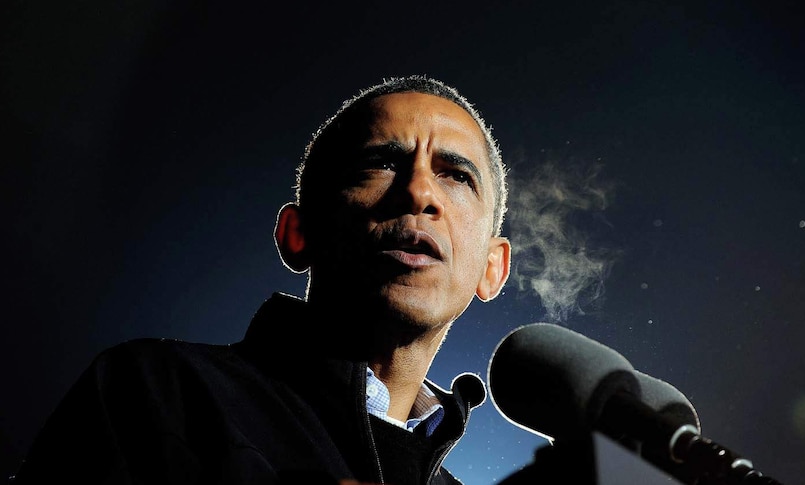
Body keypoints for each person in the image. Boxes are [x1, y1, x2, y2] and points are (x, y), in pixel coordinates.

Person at [10, 74, 512, 485]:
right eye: (379, 163)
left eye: (456, 176)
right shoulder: (160, 392)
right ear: (297, 234)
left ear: (493, 268)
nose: (419, 191)